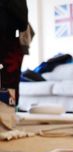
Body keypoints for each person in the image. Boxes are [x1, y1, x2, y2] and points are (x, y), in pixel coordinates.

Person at [0, 0, 28, 131]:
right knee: (8, 82)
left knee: (8, 82)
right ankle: (6, 119)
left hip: (7, 43)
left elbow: (23, 23)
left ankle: (6, 119)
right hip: (9, 43)